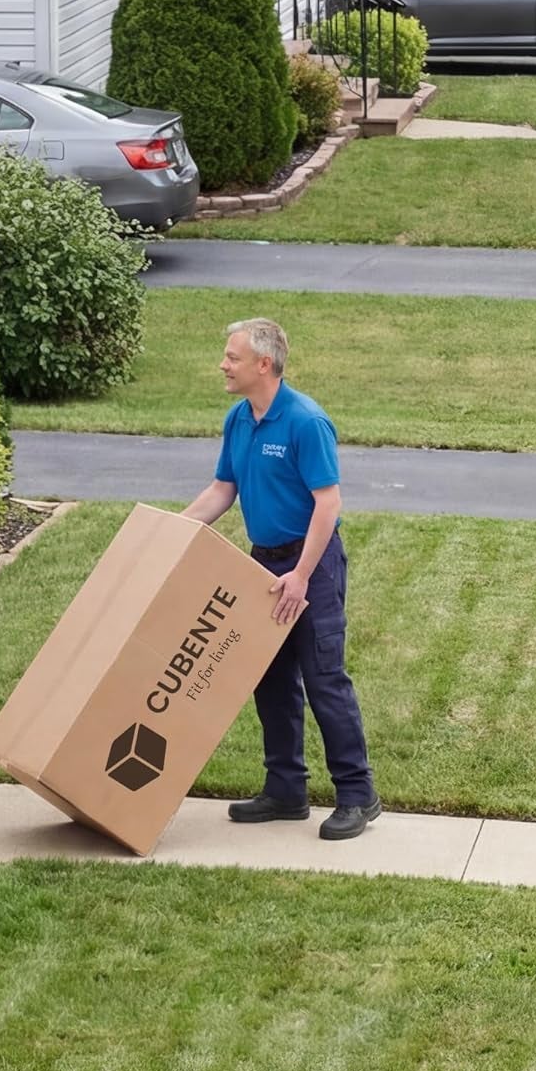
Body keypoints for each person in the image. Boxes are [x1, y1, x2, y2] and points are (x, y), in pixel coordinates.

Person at [181, 318, 381, 841]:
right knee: (269, 679)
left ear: (263, 365)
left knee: (323, 679)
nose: (223, 365)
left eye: (232, 357)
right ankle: (286, 789)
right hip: (262, 564)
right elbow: (223, 489)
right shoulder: (239, 418)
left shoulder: (305, 421)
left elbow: (328, 504)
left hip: (309, 566)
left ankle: (359, 795)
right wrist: (172, 531)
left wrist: (301, 575)